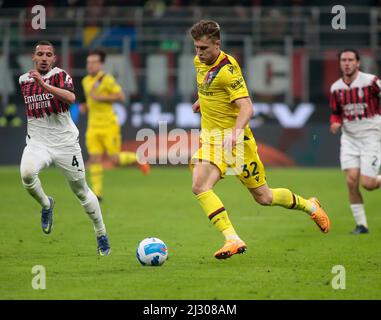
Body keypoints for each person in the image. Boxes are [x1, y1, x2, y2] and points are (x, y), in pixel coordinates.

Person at [189, 20, 330, 260]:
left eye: (204, 48)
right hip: (213, 140)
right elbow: (210, 86)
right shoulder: (199, 62)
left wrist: (234, 132)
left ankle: (311, 206)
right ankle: (232, 239)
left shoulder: (228, 70)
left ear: (217, 44)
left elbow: (246, 107)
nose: (199, 53)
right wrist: (202, 101)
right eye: (196, 48)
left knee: (264, 197)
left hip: (237, 142)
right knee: (200, 186)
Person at [19, 40, 110, 256]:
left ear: (54, 58)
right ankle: (46, 204)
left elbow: (71, 98)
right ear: (33, 57)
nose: (43, 58)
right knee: (27, 174)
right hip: (38, 143)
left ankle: (101, 234)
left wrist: (43, 84)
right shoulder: (24, 80)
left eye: (48, 55)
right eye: (39, 54)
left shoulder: (61, 76)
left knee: (81, 192)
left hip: (65, 144)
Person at [81, 49, 150, 201]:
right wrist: (86, 105)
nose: (90, 65)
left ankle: (138, 159)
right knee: (94, 158)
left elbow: (120, 96)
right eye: (88, 62)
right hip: (93, 126)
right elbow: (91, 100)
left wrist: (100, 97)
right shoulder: (86, 81)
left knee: (114, 159)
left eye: (93, 62)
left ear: (100, 64)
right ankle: (97, 193)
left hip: (109, 125)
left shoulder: (106, 79)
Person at [329, 49, 381, 234]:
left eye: (351, 60)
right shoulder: (336, 88)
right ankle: (362, 225)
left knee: (368, 184)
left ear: (358, 63)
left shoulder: (371, 82)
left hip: (371, 136)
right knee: (351, 181)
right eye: (343, 60)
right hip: (350, 139)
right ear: (340, 63)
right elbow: (336, 113)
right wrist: (335, 124)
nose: (347, 63)